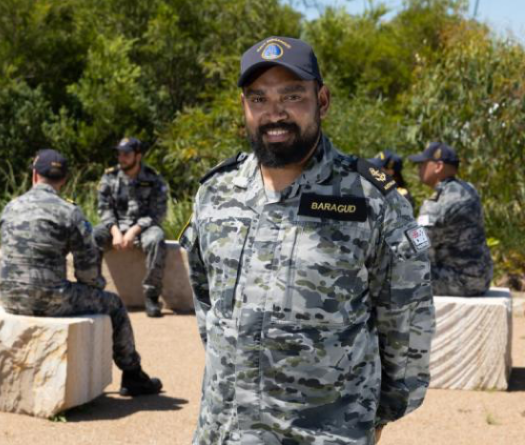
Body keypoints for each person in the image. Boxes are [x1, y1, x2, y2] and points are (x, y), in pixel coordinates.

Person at [179, 36, 434, 444]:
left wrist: (373, 416)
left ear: (323, 100)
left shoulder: (369, 198)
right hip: (224, 431)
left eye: (292, 96)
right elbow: (207, 305)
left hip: (326, 434)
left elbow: (407, 321)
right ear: (243, 106)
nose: (274, 113)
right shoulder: (216, 192)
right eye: (258, 99)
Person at [0, 149, 162, 396]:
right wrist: (95, 286)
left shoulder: (10, 207)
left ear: (34, 175)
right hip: (50, 299)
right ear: (63, 180)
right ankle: (132, 374)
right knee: (115, 305)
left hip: (9, 298)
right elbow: (87, 270)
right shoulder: (69, 212)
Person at [93, 137, 169, 317]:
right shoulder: (109, 177)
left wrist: (135, 230)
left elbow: (158, 213)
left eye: (126, 154)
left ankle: (151, 296)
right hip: (116, 227)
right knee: (93, 236)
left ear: (138, 156)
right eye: (119, 153)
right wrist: (115, 231)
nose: (121, 158)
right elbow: (104, 209)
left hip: (144, 227)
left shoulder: (153, 178)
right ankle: (93, 291)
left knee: (156, 239)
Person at [408, 142, 493, 296]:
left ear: (438, 166)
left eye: (422, 164)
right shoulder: (468, 189)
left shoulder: (437, 203)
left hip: (458, 281)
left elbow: (419, 247)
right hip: (481, 278)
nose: (419, 169)